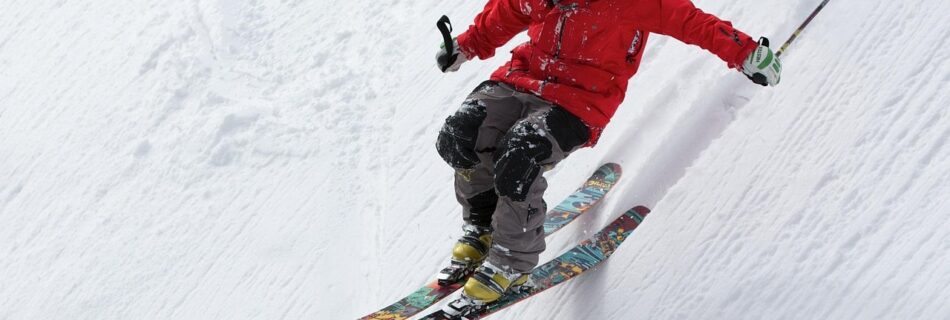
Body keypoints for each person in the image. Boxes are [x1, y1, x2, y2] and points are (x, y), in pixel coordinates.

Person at [433, 0, 781, 313]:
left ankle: (511, 261)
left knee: (518, 156)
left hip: (579, 101)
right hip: (521, 80)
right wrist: (466, 45)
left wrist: (746, 52)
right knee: (459, 134)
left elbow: (691, 21)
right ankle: (483, 225)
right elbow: (507, 11)